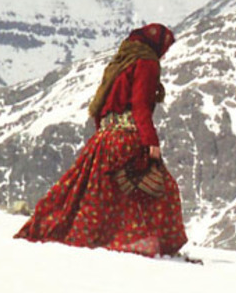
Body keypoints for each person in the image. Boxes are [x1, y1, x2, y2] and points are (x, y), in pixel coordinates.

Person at [15, 23, 190, 259]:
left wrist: (102, 138)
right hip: (128, 138)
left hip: (105, 139)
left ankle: (62, 231)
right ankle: (140, 242)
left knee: (92, 195)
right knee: (160, 190)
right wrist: (150, 141)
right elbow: (140, 106)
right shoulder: (146, 63)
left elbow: (100, 108)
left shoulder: (120, 64)